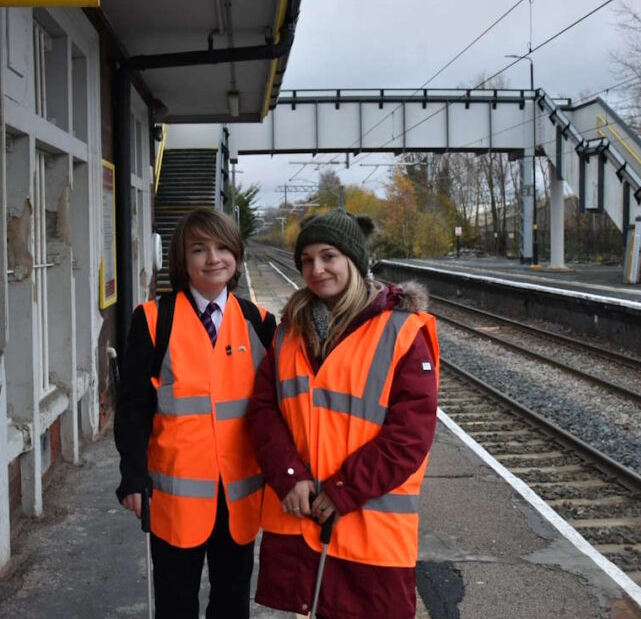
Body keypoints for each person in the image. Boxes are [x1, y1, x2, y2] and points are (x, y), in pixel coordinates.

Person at [246, 209, 439, 619]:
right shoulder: (290, 332)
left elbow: (410, 436)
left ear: (353, 259)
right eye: (307, 260)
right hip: (304, 519)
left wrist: (341, 490)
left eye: (328, 256)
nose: (316, 269)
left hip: (369, 531)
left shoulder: (401, 331)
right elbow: (264, 410)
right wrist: (290, 477)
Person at [114, 208, 276, 619]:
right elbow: (134, 406)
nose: (213, 258)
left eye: (223, 247)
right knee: (175, 601)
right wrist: (132, 473)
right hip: (175, 498)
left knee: (232, 600)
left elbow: (276, 405)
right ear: (182, 261)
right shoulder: (154, 321)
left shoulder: (259, 322)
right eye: (199, 249)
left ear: (236, 256)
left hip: (238, 497)